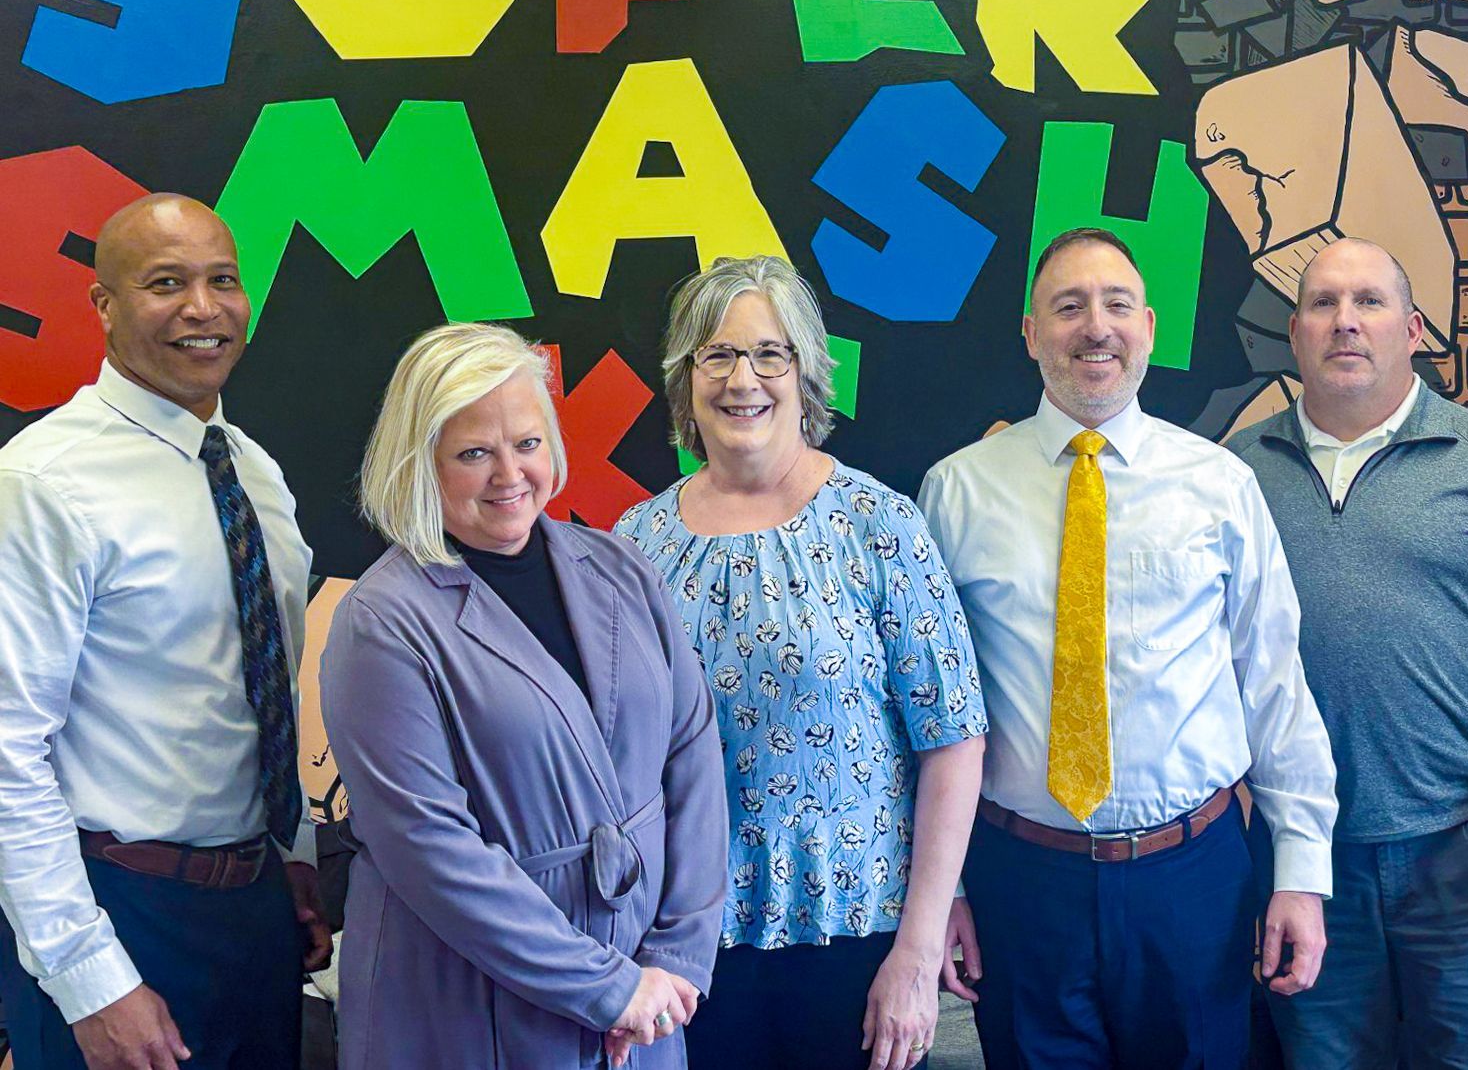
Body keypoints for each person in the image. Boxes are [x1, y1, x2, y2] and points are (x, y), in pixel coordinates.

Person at [919, 226, 1339, 1070]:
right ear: (1030, 332)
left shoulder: (1219, 484)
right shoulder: (956, 490)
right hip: (1020, 881)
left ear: (1148, 326)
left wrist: (1300, 869)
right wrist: (944, 892)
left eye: (1116, 304)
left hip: (1193, 881)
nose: (1095, 327)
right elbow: (928, 712)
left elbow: (1274, 682)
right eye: (1068, 306)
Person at [319, 322, 725, 1068]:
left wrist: (676, 957)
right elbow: (427, 846)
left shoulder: (621, 566)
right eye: (474, 453)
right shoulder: (381, 622)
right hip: (467, 1004)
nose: (510, 474)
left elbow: (692, 752)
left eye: (527, 443)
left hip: (651, 995)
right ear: (420, 463)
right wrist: (607, 989)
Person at [617, 255, 987, 1070]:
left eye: (768, 354)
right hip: (682, 948)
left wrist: (919, 952)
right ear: (685, 378)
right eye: (716, 355)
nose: (741, 379)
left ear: (805, 371)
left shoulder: (879, 523)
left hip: (857, 940)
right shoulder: (635, 544)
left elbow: (955, 740)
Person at [1228, 238, 1468, 1070]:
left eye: (1370, 301)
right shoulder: (1236, 472)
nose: (1345, 321)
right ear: (1294, 330)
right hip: (1302, 860)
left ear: (1414, 328)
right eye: (1322, 303)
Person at [0, 194, 327, 1070]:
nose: (202, 307)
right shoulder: (44, 482)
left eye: (223, 280)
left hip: (257, 912)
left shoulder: (255, 473)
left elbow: (265, 687)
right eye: (166, 283)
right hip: (117, 910)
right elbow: (6, 749)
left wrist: (291, 853)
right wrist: (90, 979)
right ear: (104, 306)